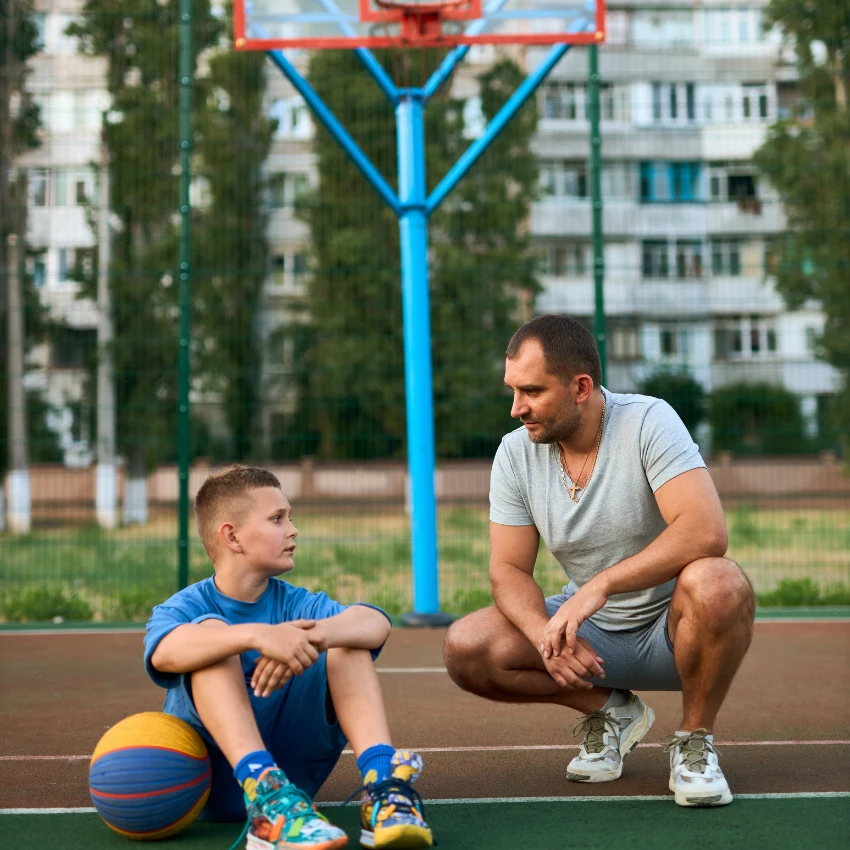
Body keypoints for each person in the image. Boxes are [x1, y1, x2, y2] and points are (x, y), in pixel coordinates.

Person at [443, 314, 755, 807]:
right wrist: (543, 639)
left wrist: (599, 585)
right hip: (592, 637)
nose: (515, 408)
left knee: (719, 581)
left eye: (531, 391)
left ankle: (695, 739)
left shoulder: (648, 421)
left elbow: (706, 531)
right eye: (512, 390)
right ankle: (611, 711)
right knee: (467, 646)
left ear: (581, 386)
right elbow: (507, 570)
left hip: (675, 633)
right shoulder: (514, 454)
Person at [144, 465, 433, 849]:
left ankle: (382, 788)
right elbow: (164, 652)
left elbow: (376, 622)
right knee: (213, 634)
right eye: (278, 518)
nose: (293, 529)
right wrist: (256, 636)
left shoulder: (296, 604)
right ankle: (264, 790)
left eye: (290, 517)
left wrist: (312, 637)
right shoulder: (184, 606)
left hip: (296, 781)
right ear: (232, 536)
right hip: (207, 783)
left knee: (342, 635)